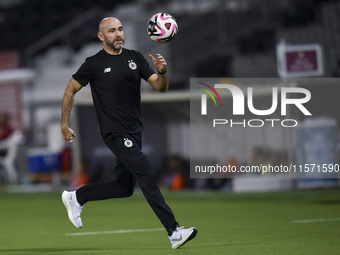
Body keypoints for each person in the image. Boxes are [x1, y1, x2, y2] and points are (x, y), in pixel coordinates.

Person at [61, 17, 197, 249]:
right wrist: (64, 124)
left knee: (123, 188)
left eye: (121, 29)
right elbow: (70, 89)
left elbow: (160, 87)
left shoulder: (135, 58)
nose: (118, 34)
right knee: (147, 173)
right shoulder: (93, 63)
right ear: (101, 37)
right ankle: (174, 232)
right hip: (113, 131)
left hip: (135, 130)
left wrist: (162, 71)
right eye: (112, 31)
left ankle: (77, 197)